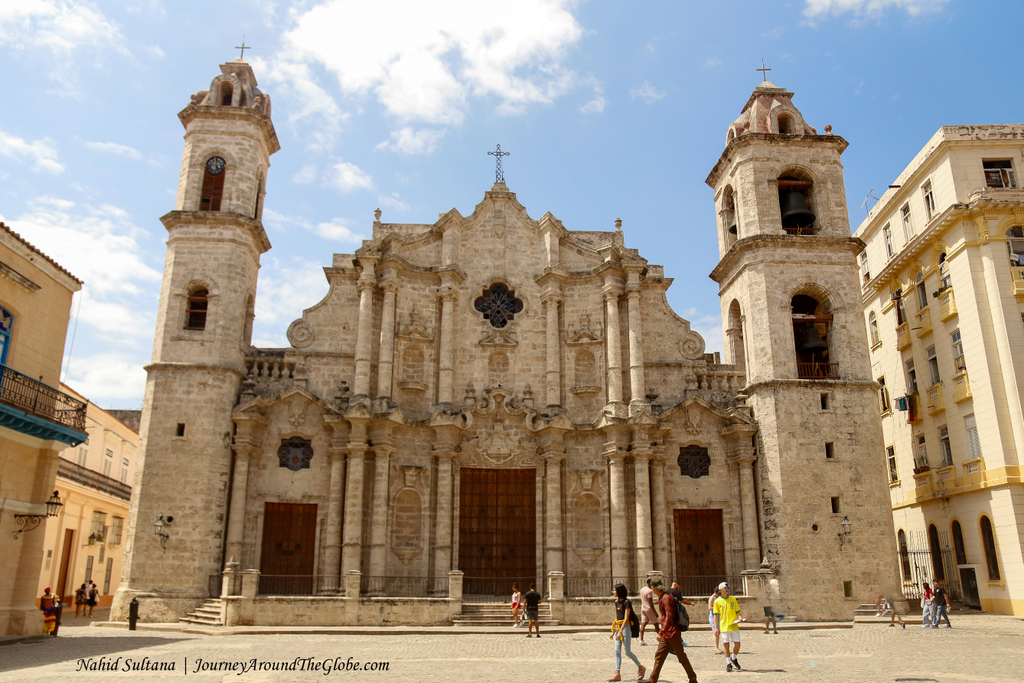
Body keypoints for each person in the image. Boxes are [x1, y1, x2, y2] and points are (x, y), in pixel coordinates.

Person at [646, 578, 698, 683]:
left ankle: (692, 678)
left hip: (672, 633)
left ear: (653, 588)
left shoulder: (666, 598)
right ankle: (652, 680)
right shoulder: (662, 597)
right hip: (667, 634)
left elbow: (669, 617)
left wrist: (661, 632)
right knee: (659, 656)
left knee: (681, 657)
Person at [608, 583, 645, 682]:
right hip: (618, 628)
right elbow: (617, 617)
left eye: (615, 590)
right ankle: (617, 673)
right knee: (617, 651)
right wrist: (613, 631)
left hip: (625, 628)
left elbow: (626, 618)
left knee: (627, 652)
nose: (613, 592)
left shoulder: (627, 602)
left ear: (619, 591)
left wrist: (620, 631)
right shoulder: (616, 602)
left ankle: (641, 667)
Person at [713, 582, 744, 672]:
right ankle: (728, 663)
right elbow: (716, 615)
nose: (728, 590)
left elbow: (737, 611)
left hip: (734, 625)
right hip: (724, 627)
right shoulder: (717, 601)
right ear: (721, 590)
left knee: (737, 644)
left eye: (728, 588)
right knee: (726, 645)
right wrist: (716, 628)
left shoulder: (733, 599)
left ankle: (733, 657)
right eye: (726, 588)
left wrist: (740, 617)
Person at [639, 578, 658, 646]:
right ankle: (661, 639)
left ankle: (641, 640)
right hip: (649, 609)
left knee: (643, 625)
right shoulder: (650, 591)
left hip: (643, 608)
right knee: (656, 624)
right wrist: (655, 612)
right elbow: (650, 603)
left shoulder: (642, 589)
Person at [708, 589, 722, 653]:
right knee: (716, 631)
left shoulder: (719, 598)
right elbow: (710, 608)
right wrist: (717, 608)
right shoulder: (712, 598)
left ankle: (717, 647)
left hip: (719, 616)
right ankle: (716, 648)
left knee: (718, 632)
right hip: (713, 616)